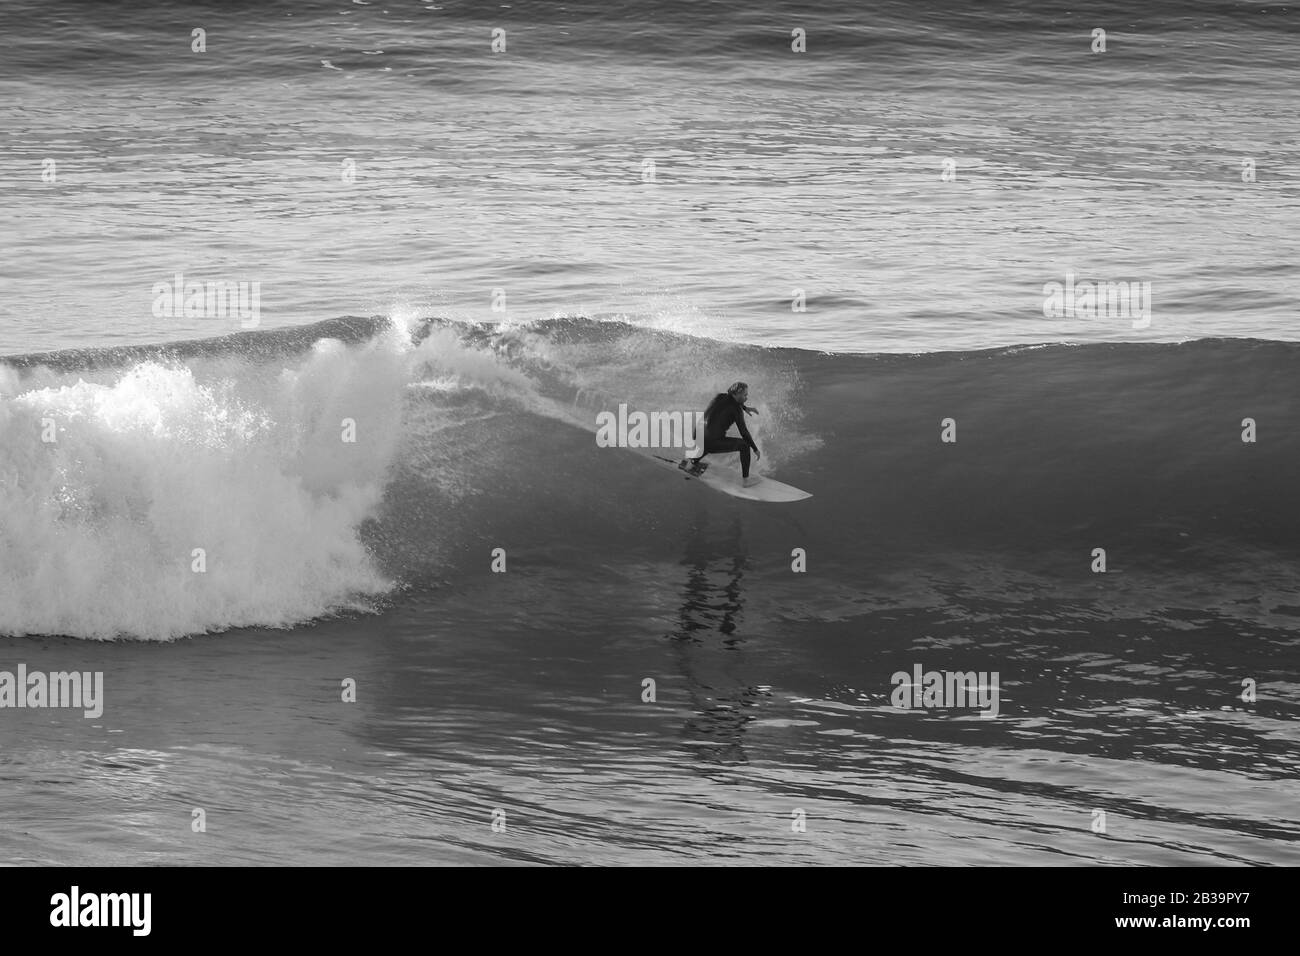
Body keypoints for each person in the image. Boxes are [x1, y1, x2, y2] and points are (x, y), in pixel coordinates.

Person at [680, 381, 763, 487]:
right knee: (744, 445)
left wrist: (745, 408)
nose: (747, 397)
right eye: (745, 395)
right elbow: (744, 432)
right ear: (737, 393)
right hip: (710, 442)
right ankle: (746, 481)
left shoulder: (720, 397)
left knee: (710, 436)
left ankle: (691, 464)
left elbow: (733, 401)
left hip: (697, 435)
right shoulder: (737, 410)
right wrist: (755, 449)